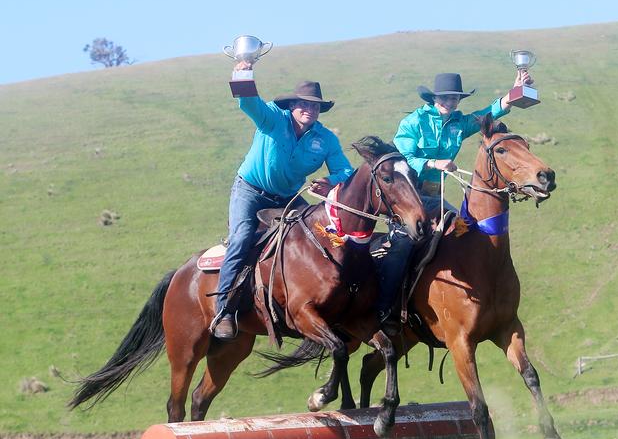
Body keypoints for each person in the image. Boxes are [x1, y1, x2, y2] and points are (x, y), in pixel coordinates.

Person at [376, 69, 533, 326]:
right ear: (434, 98)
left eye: (455, 98)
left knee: (462, 231)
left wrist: (515, 94)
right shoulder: (413, 123)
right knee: (403, 245)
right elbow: (403, 161)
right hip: (406, 199)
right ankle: (385, 309)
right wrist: (434, 163)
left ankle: (461, 296)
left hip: (435, 199)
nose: (451, 102)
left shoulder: (459, 123)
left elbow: (488, 113)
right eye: (446, 98)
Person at [210, 62, 354, 340]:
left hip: (288, 198)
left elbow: (345, 170)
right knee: (241, 238)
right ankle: (223, 310)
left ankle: (320, 302)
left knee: (323, 236)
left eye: (314, 106)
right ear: (292, 105)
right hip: (250, 191)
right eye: (303, 104)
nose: (308, 110)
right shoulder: (273, 119)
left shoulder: (325, 138)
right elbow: (248, 103)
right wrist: (243, 72)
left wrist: (331, 182)